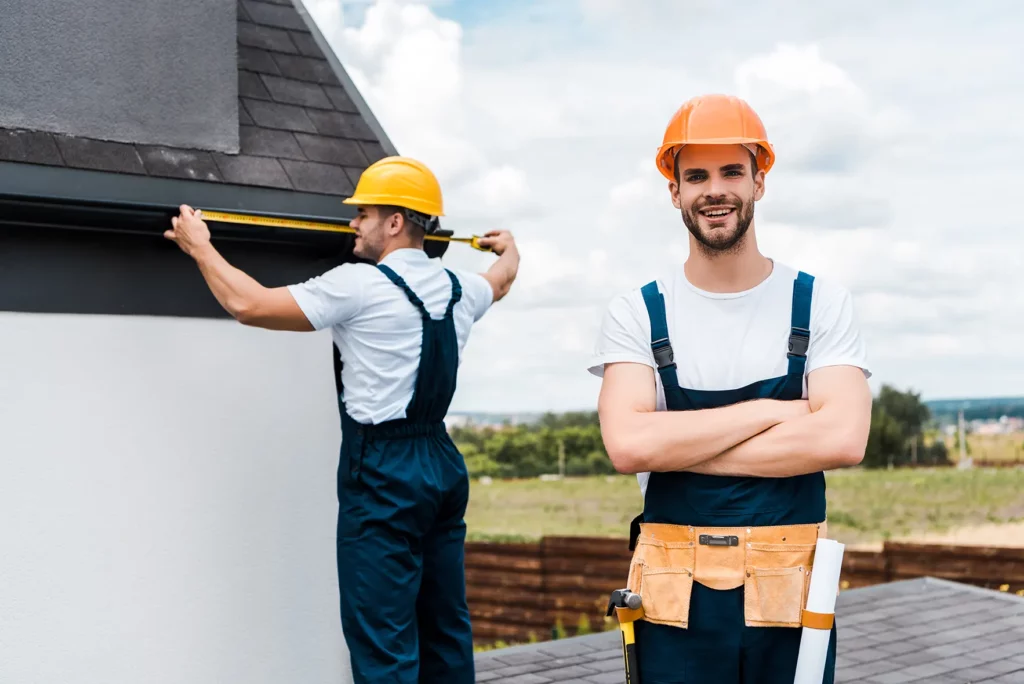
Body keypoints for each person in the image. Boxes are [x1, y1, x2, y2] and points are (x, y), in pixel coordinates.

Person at [164, 155, 520, 683]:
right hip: (442, 467)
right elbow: (503, 278)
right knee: (446, 631)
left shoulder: (359, 285)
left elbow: (250, 304)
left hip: (382, 472)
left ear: (395, 222)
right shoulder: (460, 289)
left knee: (385, 643)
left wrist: (200, 245)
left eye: (364, 213)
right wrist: (511, 249)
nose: (353, 223)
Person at [588, 94, 872, 683]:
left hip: (789, 591)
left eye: (731, 172)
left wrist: (681, 448)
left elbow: (843, 438)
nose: (714, 189)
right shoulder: (637, 312)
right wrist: (772, 411)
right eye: (696, 175)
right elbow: (628, 447)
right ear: (674, 190)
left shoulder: (820, 302)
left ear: (758, 181)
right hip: (672, 598)